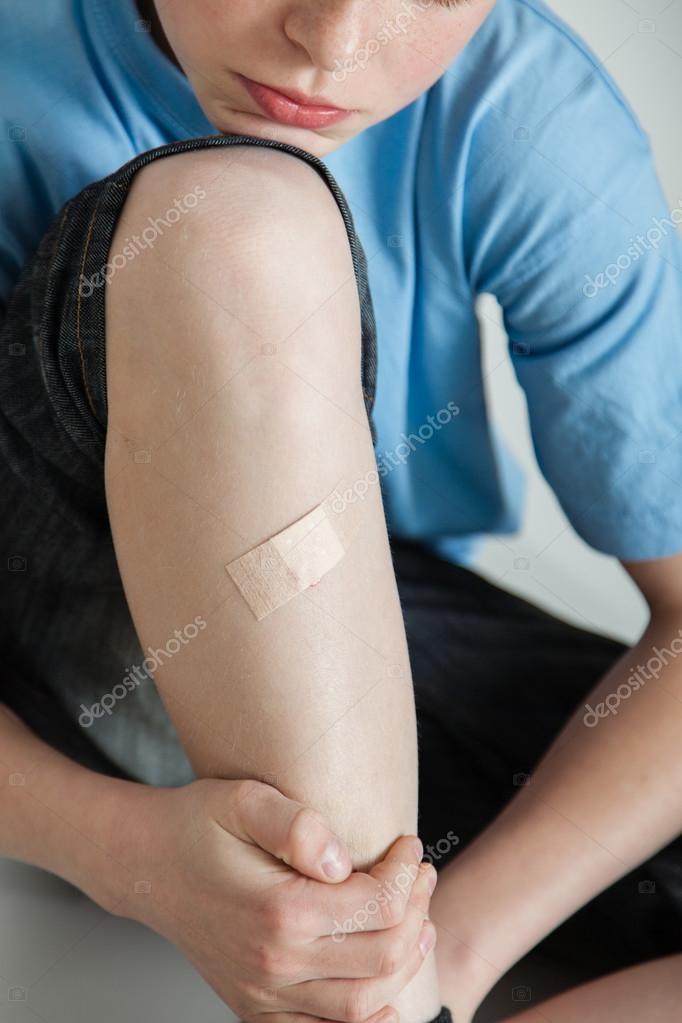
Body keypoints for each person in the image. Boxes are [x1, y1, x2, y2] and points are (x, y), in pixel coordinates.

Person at [1, 1, 681, 1021]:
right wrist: (123, 854)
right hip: (45, 648)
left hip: (360, 656)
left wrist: (438, 951)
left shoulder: (525, 118)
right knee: (237, 225)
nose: (332, 42)